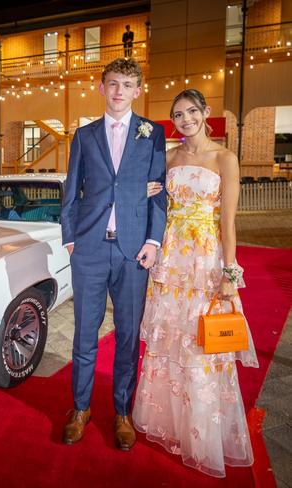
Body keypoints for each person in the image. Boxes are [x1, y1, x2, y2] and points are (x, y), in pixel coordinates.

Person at [132, 89, 258, 477]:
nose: (185, 119)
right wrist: (148, 190)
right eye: (178, 114)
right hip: (171, 260)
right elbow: (152, 201)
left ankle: (202, 430)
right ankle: (166, 421)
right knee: (170, 337)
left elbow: (228, 222)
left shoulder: (225, 158)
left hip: (204, 261)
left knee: (200, 342)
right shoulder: (168, 158)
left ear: (205, 113)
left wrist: (229, 272)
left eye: (191, 112)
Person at [60, 58, 166, 450]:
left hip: (133, 252)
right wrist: (71, 240)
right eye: (112, 83)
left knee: (127, 336)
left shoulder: (152, 133)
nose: (119, 90)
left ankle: (122, 412)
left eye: (127, 84)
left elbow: (160, 191)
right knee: (84, 335)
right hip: (88, 249)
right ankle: (81, 408)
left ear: (138, 90)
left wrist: (153, 242)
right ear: (101, 88)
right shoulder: (84, 136)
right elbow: (70, 192)